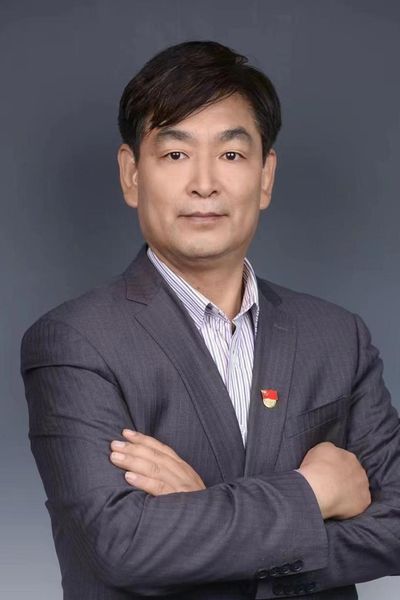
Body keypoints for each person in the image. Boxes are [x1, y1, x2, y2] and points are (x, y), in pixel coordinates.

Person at [20, 40, 400, 600]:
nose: (204, 183)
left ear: (265, 176)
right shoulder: (73, 342)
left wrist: (201, 518)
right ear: (131, 174)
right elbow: (123, 546)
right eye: (176, 154)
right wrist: (311, 493)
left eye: (231, 155)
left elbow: (395, 526)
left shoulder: (338, 336)